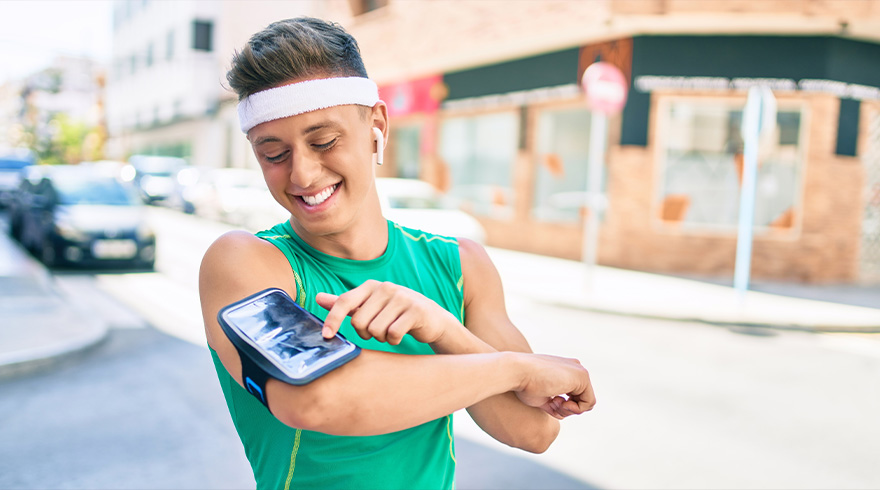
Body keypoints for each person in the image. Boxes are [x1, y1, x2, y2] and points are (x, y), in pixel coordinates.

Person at [199, 16, 596, 490]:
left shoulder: (460, 267)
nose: (302, 174)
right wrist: (516, 367)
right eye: (273, 154)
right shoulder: (246, 263)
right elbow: (315, 398)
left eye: (324, 141)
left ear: (377, 126)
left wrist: (442, 328)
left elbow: (534, 431)